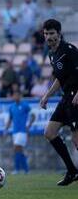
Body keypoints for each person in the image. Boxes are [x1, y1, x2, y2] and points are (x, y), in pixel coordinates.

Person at [40, 19, 78, 186]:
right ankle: (72, 171)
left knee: (77, 140)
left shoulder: (69, 50)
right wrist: (47, 95)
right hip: (66, 98)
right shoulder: (51, 53)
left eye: (52, 33)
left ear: (59, 34)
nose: (49, 36)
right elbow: (59, 78)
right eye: (46, 33)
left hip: (76, 98)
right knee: (49, 132)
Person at [4, 91, 35, 174]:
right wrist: (6, 130)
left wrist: (29, 126)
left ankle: (17, 169)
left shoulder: (25, 105)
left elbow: (33, 116)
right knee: (19, 150)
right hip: (15, 131)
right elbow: (10, 119)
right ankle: (26, 170)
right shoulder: (12, 107)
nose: (15, 97)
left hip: (22, 131)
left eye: (17, 95)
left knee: (16, 148)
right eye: (14, 95)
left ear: (20, 96)